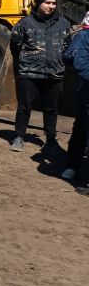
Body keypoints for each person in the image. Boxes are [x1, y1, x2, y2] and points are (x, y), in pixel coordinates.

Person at [9, 0, 71, 152]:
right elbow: (15, 46)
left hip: (55, 73)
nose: (51, 6)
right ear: (38, 3)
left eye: (54, 3)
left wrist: (59, 61)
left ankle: (51, 139)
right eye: (47, 2)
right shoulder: (25, 23)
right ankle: (19, 137)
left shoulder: (64, 24)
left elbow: (68, 46)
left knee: (51, 109)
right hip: (30, 72)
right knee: (24, 106)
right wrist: (25, 60)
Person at [62, 12, 89, 185]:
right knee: (80, 129)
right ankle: (73, 166)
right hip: (86, 93)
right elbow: (79, 62)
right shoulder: (84, 36)